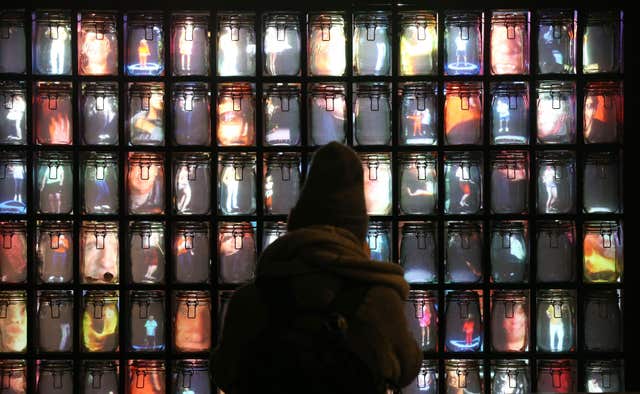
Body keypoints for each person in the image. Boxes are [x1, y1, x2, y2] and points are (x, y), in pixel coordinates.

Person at [213, 142, 421, 393]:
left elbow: (223, 372)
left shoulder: (251, 298)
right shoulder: (380, 298)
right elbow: (408, 367)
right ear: (358, 227)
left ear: (297, 219)